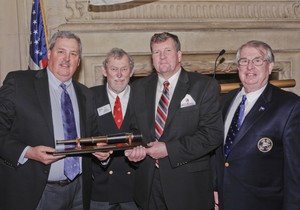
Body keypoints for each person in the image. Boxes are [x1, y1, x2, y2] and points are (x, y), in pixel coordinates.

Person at [125, 32, 224, 210]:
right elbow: (134, 129)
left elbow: (212, 135)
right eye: (156, 52)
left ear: (179, 55)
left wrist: (168, 149)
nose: (162, 57)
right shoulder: (138, 88)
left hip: (188, 187)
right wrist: (134, 148)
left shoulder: (204, 86)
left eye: (167, 50)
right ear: (151, 57)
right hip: (149, 186)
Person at [0, 31, 97, 210]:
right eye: (61, 51)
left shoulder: (86, 94)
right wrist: (28, 152)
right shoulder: (19, 83)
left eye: (73, 54)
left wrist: (101, 151)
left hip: (79, 191)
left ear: (78, 61)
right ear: (50, 53)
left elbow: (92, 135)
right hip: (36, 192)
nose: (67, 58)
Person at [214, 40, 300, 210]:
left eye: (257, 60)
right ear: (238, 67)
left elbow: (295, 172)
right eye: (244, 61)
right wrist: (215, 187)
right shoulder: (226, 101)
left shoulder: (290, 106)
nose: (250, 67)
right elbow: (218, 153)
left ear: (270, 67)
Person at [89, 48, 138, 210]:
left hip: (136, 190)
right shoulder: (89, 97)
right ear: (104, 71)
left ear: (131, 72)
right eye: (114, 69)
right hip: (100, 190)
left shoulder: (144, 97)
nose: (119, 74)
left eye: (124, 69)